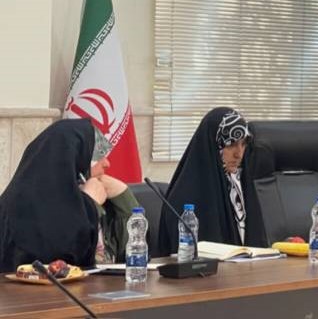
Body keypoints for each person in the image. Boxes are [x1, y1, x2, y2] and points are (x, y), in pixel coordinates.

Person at [0, 119, 138, 272]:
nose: (107, 163)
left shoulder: (92, 196)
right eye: (97, 156)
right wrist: (89, 206)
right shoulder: (24, 208)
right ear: (74, 160)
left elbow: (132, 254)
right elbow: (62, 260)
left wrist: (123, 198)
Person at [158, 107, 258, 254]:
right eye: (231, 145)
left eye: (243, 144)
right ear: (213, 145)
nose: (239, 154)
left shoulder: (240, 185)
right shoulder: (185, 198)